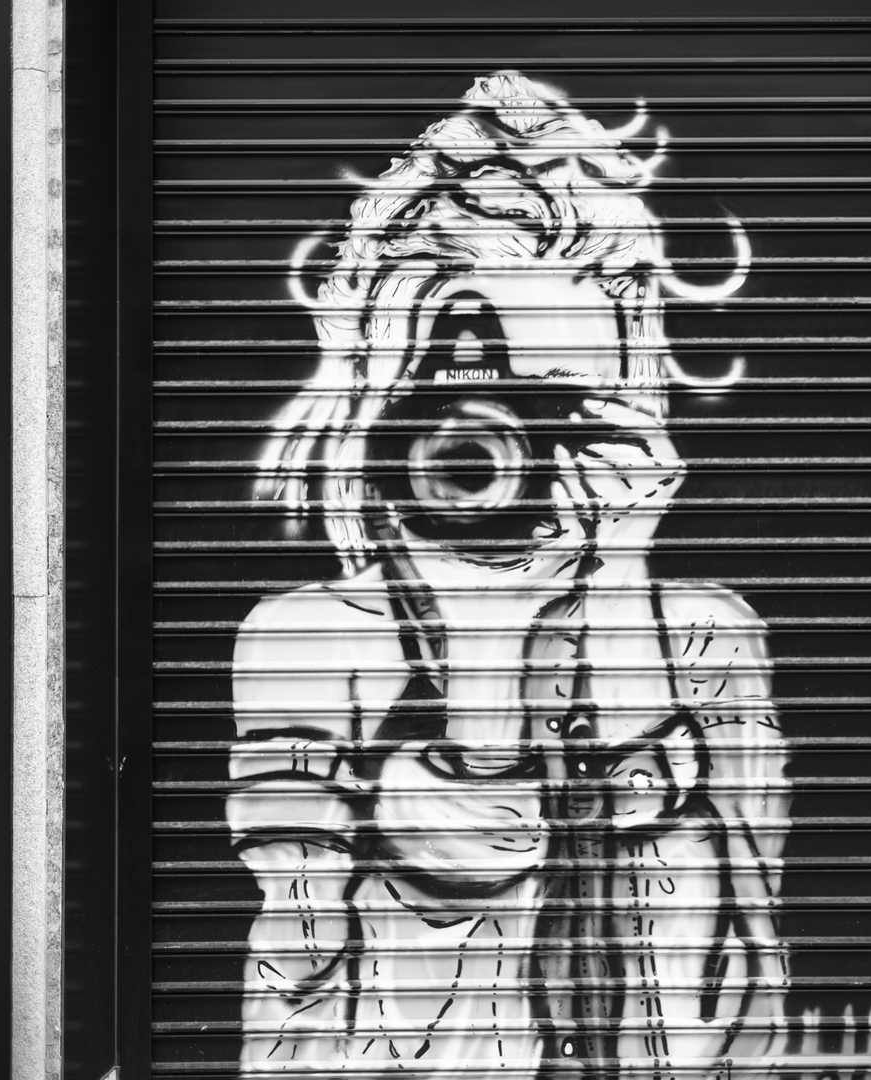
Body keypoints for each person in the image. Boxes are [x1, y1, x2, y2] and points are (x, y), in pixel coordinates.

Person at [227, 71, 788, 1072]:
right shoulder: (310, 643)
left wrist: (619, 587)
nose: (489, 447)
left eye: (545, 403)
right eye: (446, 395)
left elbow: (709, 1033)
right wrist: (484, 652)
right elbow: (299, 993)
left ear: (619, 406)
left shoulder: (704, 640)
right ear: (377, 399)